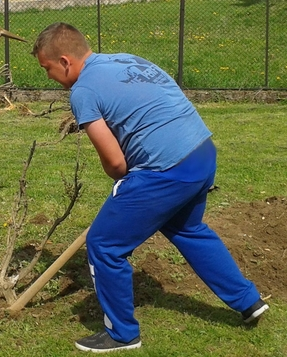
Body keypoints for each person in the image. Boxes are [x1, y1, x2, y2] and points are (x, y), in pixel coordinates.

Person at [31, 22, 268, 353]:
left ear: (66, 61)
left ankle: (122, 334)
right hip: (201, 152)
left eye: (48, 68)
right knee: (187, 229)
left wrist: (131, 190)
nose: (48, 77)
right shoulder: (125, 59)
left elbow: (115, 163)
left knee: (104, 244)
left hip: (166, 170)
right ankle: (248, 300)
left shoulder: (83, 91)